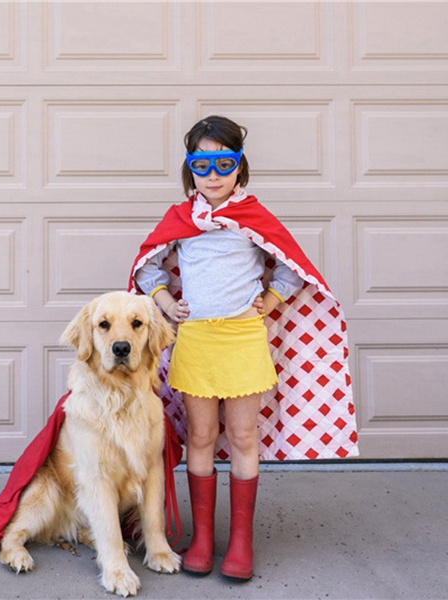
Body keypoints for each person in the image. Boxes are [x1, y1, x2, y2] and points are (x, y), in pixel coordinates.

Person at [128, 115, 358, 582]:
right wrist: (166, 301)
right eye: (202, 163)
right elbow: (148, 268)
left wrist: (269, 301)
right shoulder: (179, 219)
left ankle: (240, 542)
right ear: (189, 167)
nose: (213, 175)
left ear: (240, 166)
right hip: (197, 342)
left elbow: (292, 267)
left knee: (244, 437)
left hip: (243, 340)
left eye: (224, 163)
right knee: (200, 437)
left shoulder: (253, 216)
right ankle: (205, 540)